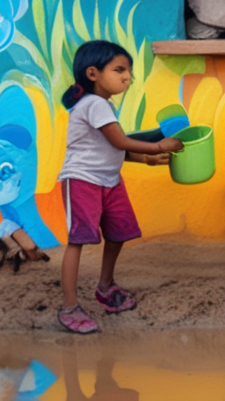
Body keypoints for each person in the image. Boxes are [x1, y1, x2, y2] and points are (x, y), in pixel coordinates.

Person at [56, 40, 183, 334]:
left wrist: (145, 160)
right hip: (83, 181)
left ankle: (105, 286)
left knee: (119, 232)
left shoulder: (103, 105)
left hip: (109, 181)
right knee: (78, 240)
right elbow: (119, 141)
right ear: (92, 73)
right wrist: (158, 145)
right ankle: (70, 306)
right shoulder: (93, 104)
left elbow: (113, 148)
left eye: (129, 71)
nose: (127, 77)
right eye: (119, 69)